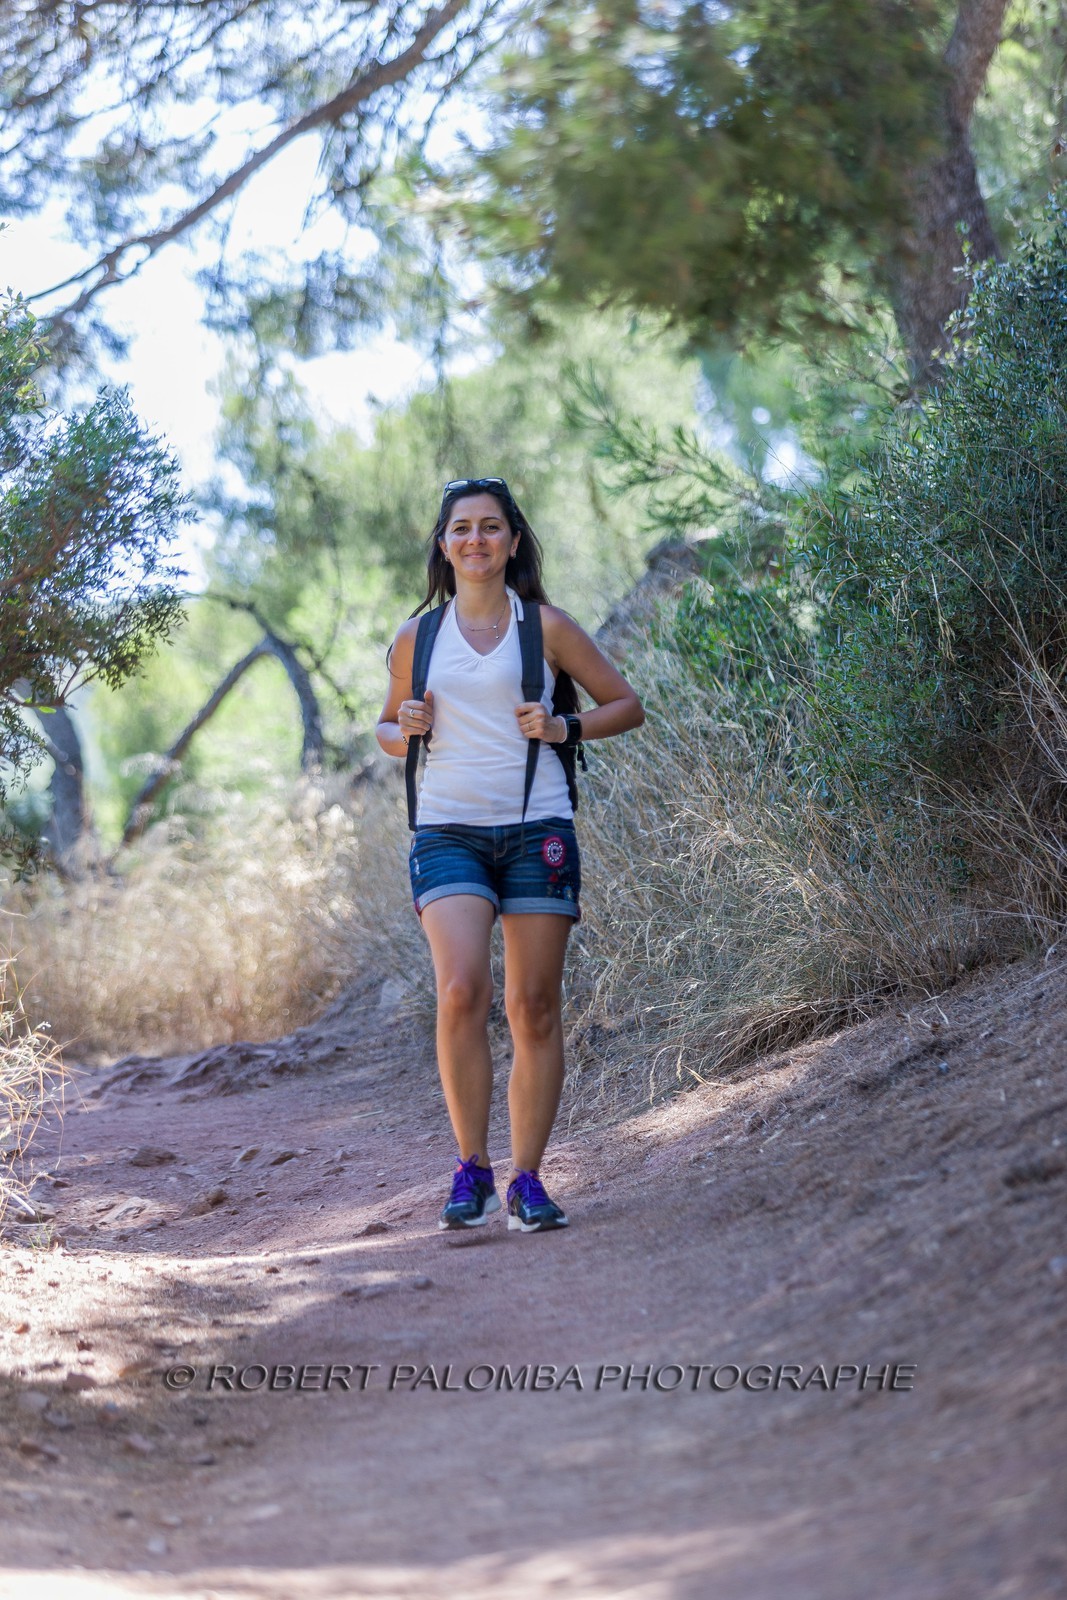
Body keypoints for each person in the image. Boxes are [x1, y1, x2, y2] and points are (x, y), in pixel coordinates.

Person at [377, 476, 645, 1233]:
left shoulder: (547, 627)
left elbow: (625, 704)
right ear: (443, 544)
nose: (475, 540)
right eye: (461, 528)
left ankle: (528, 1178)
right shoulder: (417, 638)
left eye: (490, 527)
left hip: (538, 829)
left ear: (513, 541)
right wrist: (405, 725)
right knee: (460, 990)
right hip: (447, 829)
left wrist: (565, 729)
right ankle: (473, 1169)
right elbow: (386, 731)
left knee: (532, 1008)